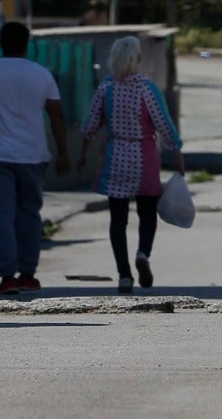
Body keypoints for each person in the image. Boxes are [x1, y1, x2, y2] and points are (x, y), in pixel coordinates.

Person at [0, 22, 71, 297]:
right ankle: (28, 274)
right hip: (32, 156)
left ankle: (7, 276)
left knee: (0, 215)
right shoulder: (41, 74)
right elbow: (56, 114)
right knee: (29, 214)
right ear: (27, 44)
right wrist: (63, 153)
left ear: (0, 43)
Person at [78, 36, 184, 294]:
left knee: (118, 219)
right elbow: (163, 123)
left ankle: (124, 275)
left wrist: (82, 155)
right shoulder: (147, 89)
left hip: (115, 157)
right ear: (137, 59)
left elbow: (91, 124)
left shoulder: (106, 88)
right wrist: (178, 154)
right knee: (147, 213)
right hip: (144, 157)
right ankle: (143, 253)